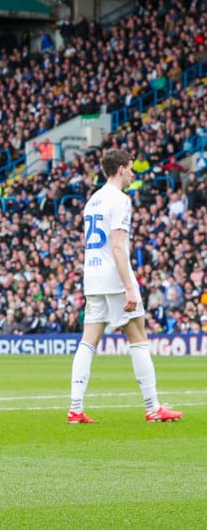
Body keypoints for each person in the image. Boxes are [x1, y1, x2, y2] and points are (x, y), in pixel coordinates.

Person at [68, 149, 182, 424]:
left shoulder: (93, 201)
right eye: (130, 168)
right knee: (138, 338)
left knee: (88, 340)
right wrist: (130, 287)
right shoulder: (120, 200)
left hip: (92, 277)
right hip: (114, 279)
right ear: (120, 169)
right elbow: (118, 246)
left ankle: (75, 408)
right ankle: (153, 408)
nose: (133, 173)